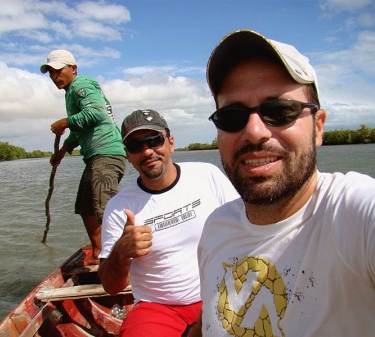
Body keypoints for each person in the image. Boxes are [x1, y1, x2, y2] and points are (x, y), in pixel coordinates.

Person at [196, 29, 375, 337]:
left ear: (318, 127)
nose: (254, 131)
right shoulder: (216, 227)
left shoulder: (359, 216)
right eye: (232, 116)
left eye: (279, 111)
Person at [98, 109, 239, 337]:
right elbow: (111, 287)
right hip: (157, 307)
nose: (147, 151)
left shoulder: (207, 176)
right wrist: (121, 251)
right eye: (136, 146)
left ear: (170, 143)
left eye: (154, 140)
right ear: (127, 155)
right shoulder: (118, 207)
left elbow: (246, 229)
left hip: (220, 290)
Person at [41, 50, 126, 265]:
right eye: (50, 72)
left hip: (106, 153)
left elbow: (97, 113)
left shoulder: (81, 86)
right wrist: (63, 150)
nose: (54, 76)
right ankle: (99, 254)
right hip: (95, 157)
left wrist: (65, 121)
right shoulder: (70, 93)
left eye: (58, 70)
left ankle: (120, 262)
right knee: (86, 207)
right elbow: (82, 128)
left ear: (73, 69)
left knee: (103, 208)